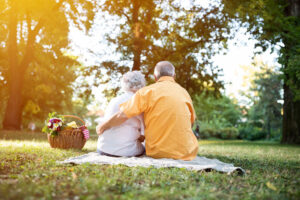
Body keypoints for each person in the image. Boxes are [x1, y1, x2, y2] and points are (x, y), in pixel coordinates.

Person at [97, 61, 198, 161]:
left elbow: (123, 115)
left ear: (155, 76)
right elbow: (191, 121)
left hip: (158, 152)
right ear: (174, 76)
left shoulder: (146, 92)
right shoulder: (184, 93)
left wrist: (103, 126)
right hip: (186, 152)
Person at [96, 71, 145, 157]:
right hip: (124, 151)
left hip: (103, 148)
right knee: (144, 146)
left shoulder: (115, 100)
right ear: (142, 84)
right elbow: (143, 136)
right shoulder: (139, 102)